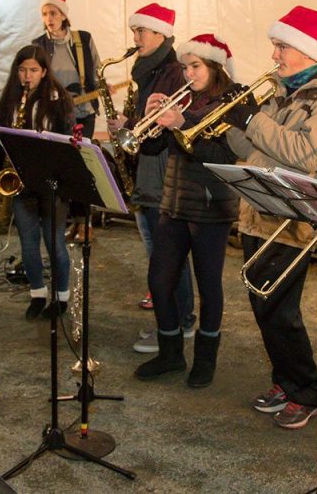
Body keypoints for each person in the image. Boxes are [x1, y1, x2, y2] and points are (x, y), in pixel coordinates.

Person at [224, 5, 317, 429]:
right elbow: (253, 149)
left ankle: (307, 391)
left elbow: (304, 154)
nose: (274, 54)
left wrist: (253, 120)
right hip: (257, 213)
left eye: (281, 46)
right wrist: (228, 121)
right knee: (262, 306)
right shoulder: (281, 92)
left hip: (291, 221)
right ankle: (285, 380)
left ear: (306, 50)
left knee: (281, 311)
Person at [134, 34, 239, 388]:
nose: (188, 73)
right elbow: (153, 151)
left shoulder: (232, 102)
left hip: (211, 204)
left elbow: (222, 156)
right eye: (185, 67)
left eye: (195, 66)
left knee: (209, 285)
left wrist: (181, 123)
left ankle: (205, 360)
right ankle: (171, 353)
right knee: (159, 280)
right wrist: (149, 122)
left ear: (214, 67)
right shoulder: (186, 100)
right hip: (175, 200)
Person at [105, 2, 197, 353]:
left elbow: (165, 125)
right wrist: (126, 125)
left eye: (141, 31)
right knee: (159, 252)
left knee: (166, 253)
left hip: (161, 172)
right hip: (148, 169)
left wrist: (135, 126)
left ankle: (179, 322)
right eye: (134, 31)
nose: (135, 37)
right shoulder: (148, 70)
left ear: (161, 34)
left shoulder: (173, 71)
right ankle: (169, 320)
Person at [0, 45, 76, 320]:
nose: (27, 76)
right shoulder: (10, 100)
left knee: (54, 244)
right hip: (21, 183)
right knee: (28, 244)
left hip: (52, 183)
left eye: (33, 70)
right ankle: (37, 294)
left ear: (44, 71)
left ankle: (61, 297)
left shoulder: (57, 99)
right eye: (22, 70)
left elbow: (67, 144)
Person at [31, 0, 101, 238]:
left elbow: (96, 71)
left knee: (80, 166)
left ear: (63, 15)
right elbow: (35, 77)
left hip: (83, 113)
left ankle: (86, 223)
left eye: (53, 13)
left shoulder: (83, 39)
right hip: (55, 115)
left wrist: (100, 89)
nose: (49, 18)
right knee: (62, 168)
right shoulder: (38, 44)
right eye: (45, 14)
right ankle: (73, 220)